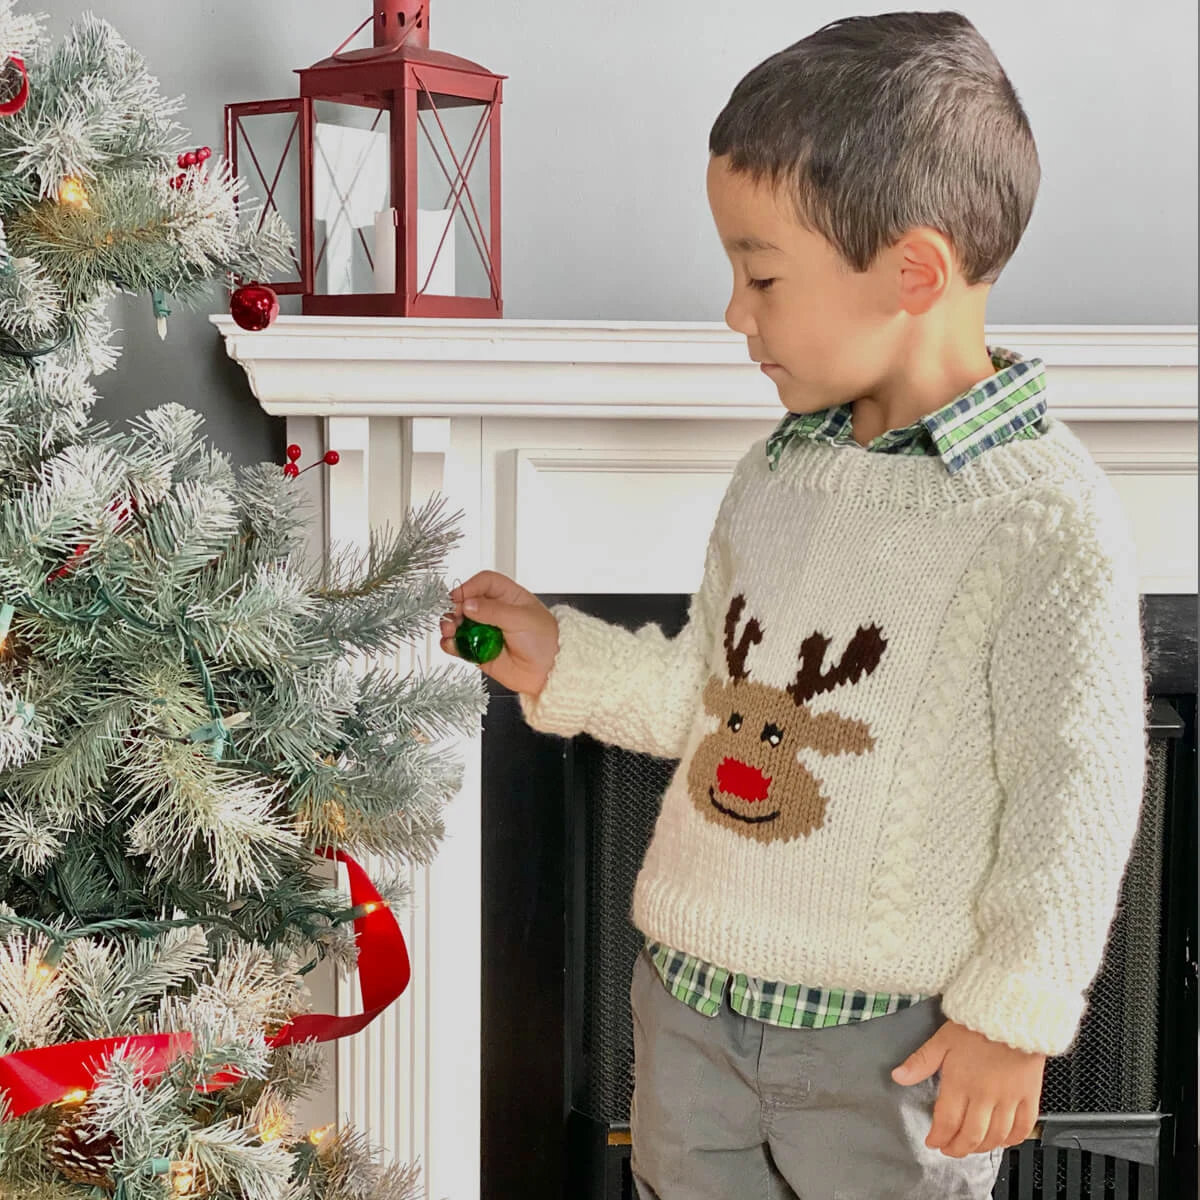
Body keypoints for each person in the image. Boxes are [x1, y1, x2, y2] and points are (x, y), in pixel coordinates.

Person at [439, 11, 1148, 1198]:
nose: (736, 311)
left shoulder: (1043, 518)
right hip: (690, 1009)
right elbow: (714, 698)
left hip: (892, 1045)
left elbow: (1076, 794)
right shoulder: (778, 472)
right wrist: (566, 660)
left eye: (761, 274)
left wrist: (1014, 1014)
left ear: (913, 271)